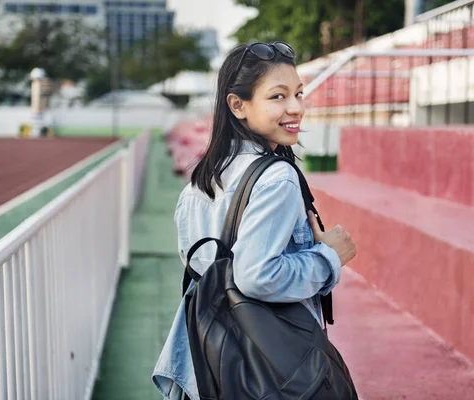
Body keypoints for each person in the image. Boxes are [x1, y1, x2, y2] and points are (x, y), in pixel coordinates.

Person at [152, 41, 357, 400]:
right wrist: (328, 258)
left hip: (207, 361)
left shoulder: (205, 176)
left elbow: (198, 265)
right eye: (278, 97)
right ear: (238, 105)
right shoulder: (278, 178)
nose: (296, 107)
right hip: (269, 369)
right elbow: (257, 276)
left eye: (298, 93)